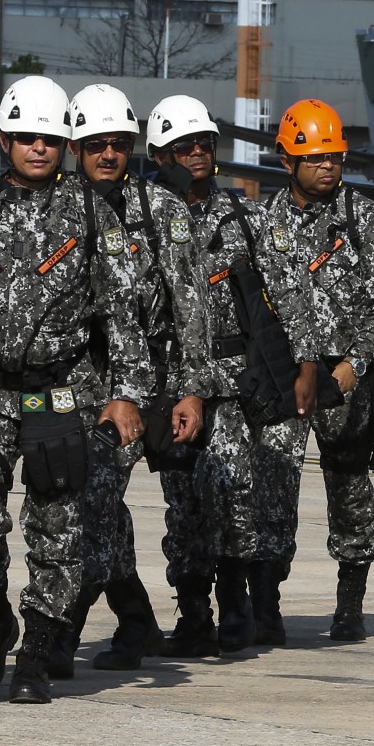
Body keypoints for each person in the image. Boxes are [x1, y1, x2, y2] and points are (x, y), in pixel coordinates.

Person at [0, 76, 152, 703]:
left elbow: (123, 310)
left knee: (57, 525)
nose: (39, 148)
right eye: (27, 138)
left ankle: (36, 652)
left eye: (50, 139)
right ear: (4, 138)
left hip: (57, 391)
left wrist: (126, 393)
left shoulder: (91, 214)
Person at [44, 83, 211, 677]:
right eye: (94, 145)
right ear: (74, 147)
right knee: (91, 504)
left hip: (151, 380)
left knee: (96, 503)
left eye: (118, 144)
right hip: (77, 378)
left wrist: (192, 389)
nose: (107, 155)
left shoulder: (161, 210)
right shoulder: (55, 206)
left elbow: (192, 306)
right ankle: (133, 615)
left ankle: (64, 632)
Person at [253, 99, 374, 642]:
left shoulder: (366, 220)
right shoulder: (264, 223)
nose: (327, 167)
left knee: (349, 488)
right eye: (314, 158)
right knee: (272, 485)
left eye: (335, 157)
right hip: (283, 381)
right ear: (287, 160)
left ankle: (350, 602)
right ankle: (265, 605)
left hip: (342, 383)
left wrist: (351, 368)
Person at [145, 95, 288, 654]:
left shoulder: (246, 217)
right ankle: (192, 616)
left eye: (205, 143)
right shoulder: (142, 219)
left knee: (233, 495)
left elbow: (286, 293)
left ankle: (236, 611)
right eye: (185, 146)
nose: (199, 153)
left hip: (232, 382)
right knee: (182, 505)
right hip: (168, 379)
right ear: (159, 155)